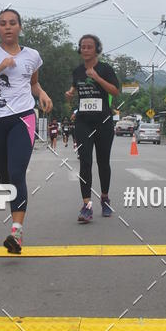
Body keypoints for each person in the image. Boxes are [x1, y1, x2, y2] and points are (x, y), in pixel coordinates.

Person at [0, 8, 52, 254]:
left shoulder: (32, 56)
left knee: (17, 173)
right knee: (7, 181)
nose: (7, 27)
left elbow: (33, 82)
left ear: (20, 27)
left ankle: (16, 232)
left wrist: (42, 93)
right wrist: (0, 68)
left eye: (12, 23)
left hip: (22, 119)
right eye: (3, 23)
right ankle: (16, 227)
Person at [65, 34, 120, 223]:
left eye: (90, 47)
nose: (86, 50)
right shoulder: (77, 71)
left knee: (103, 162)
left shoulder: (105, 69)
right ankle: (86, 205)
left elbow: (115, 91)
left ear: (97, 49)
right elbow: (75, 88)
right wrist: (70, 93)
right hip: (83, 122)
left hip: (103, 122)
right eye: (83, 47)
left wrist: (96, 77)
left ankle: (104, 198)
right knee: (85, 162)